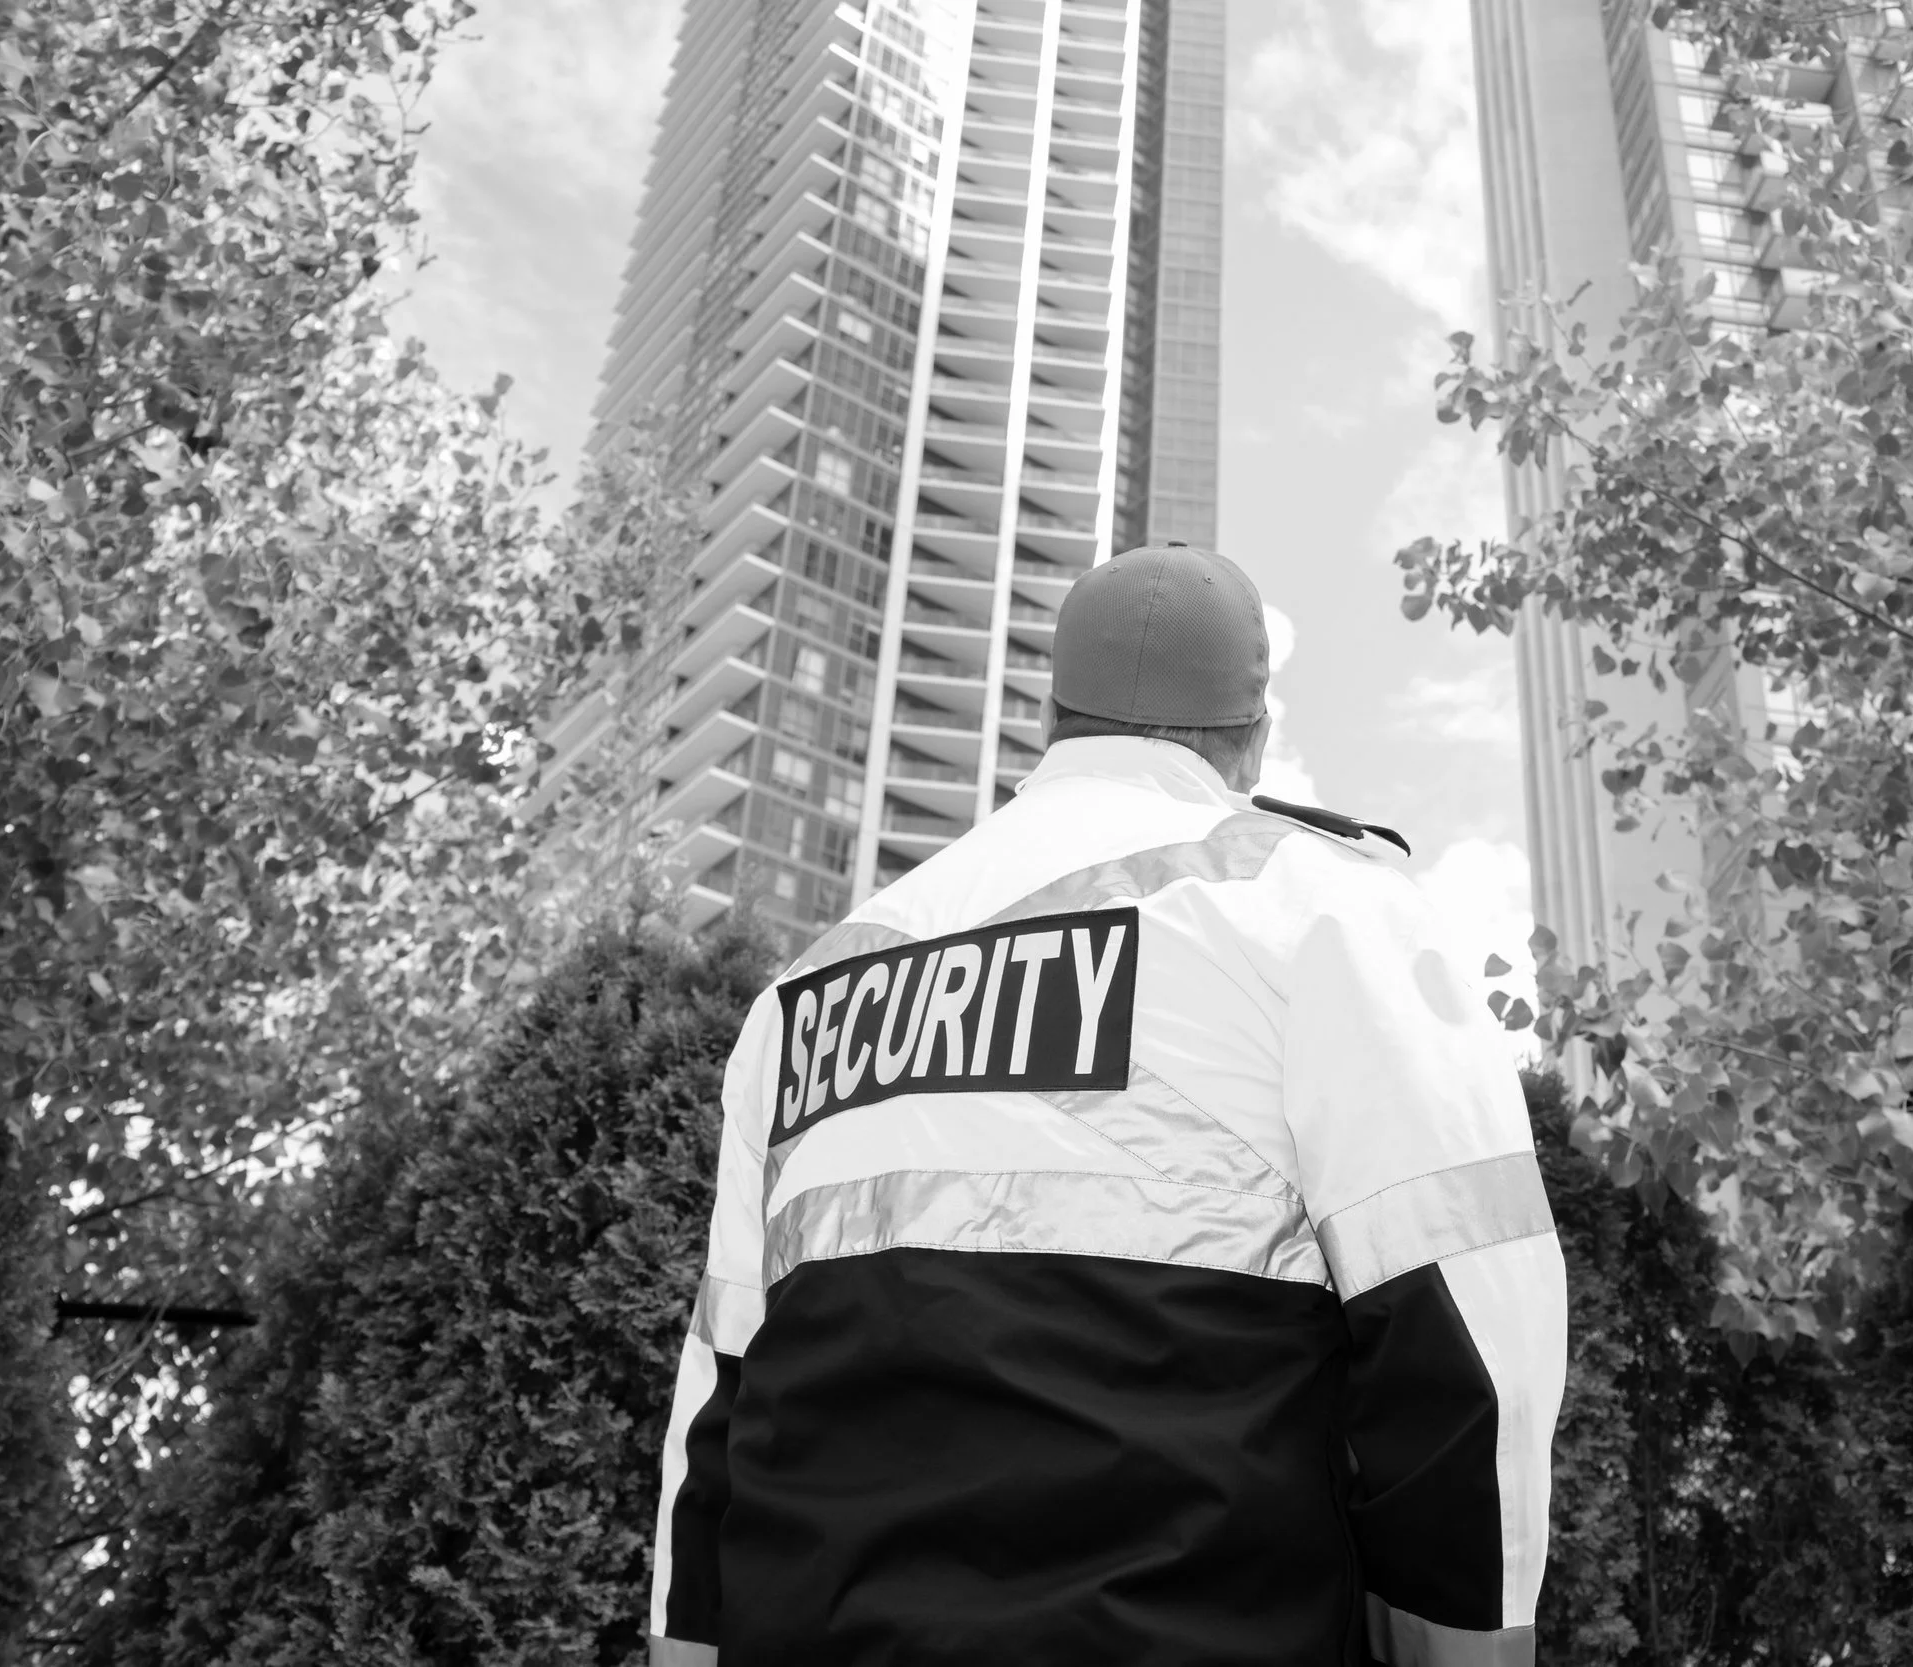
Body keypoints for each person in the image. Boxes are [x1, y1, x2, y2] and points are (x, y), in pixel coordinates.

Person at [648, 542, 1567, 1666]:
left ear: (1052, 719)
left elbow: (716, 1405)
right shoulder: (1321, 909)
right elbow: (1468, 1327)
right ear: (1253, 739)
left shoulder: (800, 997)